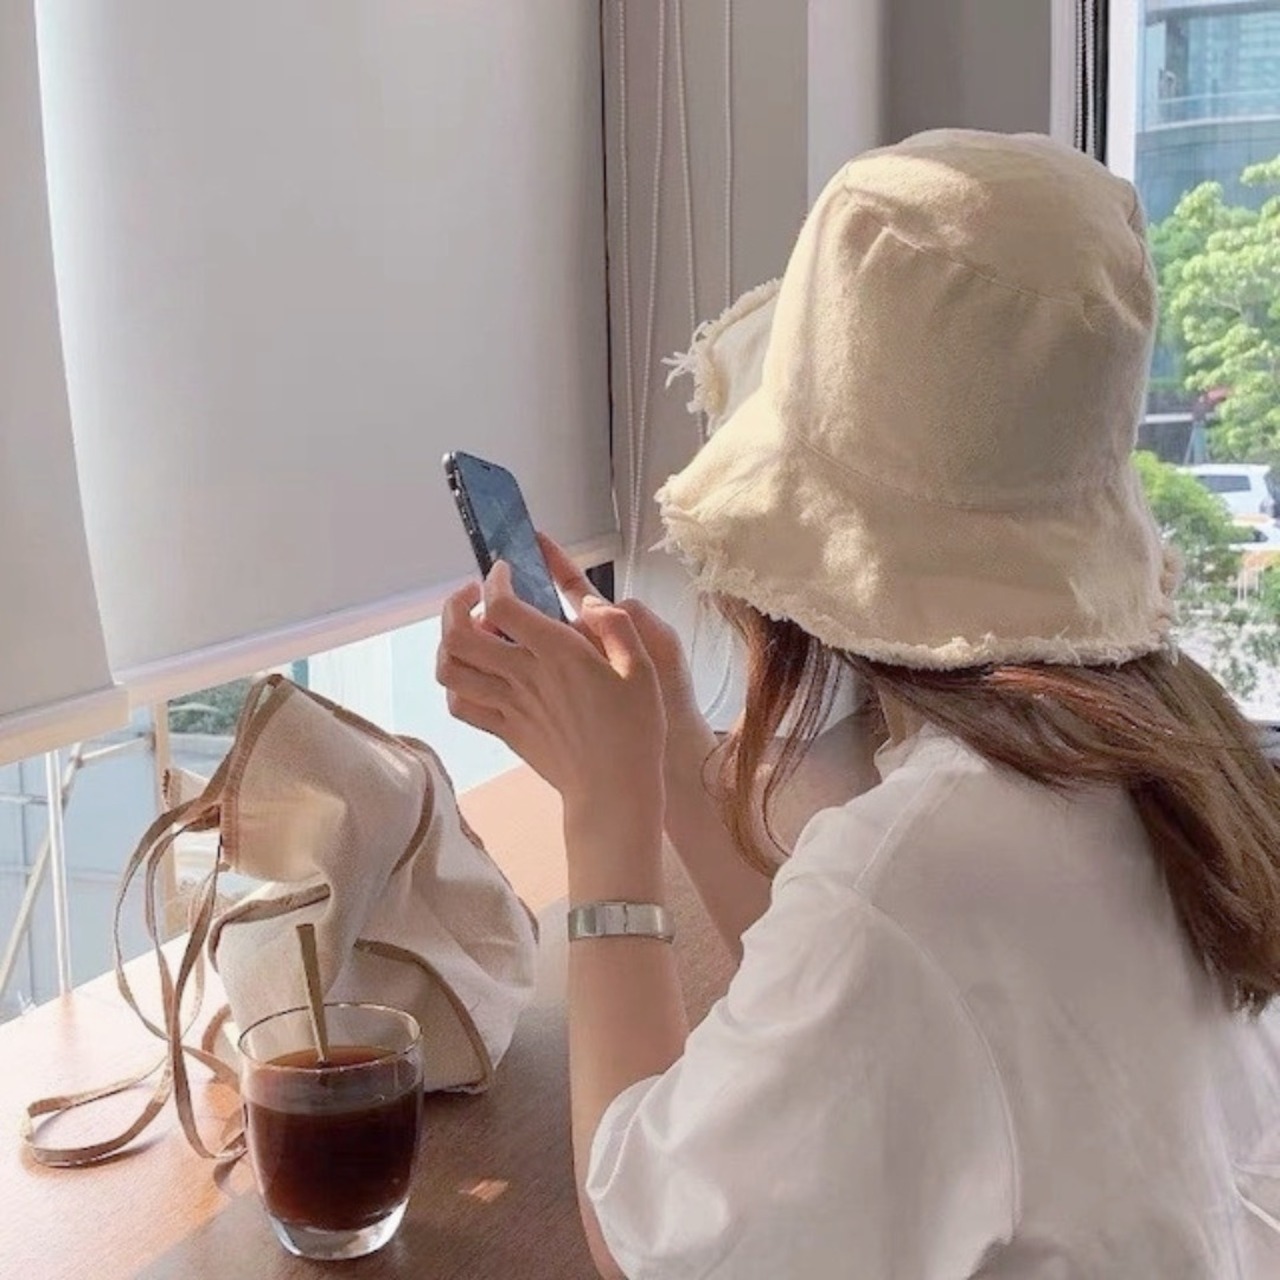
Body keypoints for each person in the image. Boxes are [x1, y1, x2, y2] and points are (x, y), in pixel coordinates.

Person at [436, 130, 1280, 1278]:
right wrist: (671, 756)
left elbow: (651, 1241)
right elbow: (854, 1016)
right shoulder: (1159, 753)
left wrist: (605, 816)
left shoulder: (921, 876)